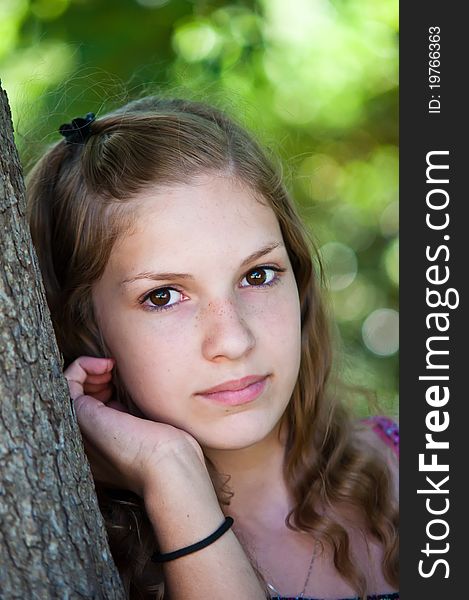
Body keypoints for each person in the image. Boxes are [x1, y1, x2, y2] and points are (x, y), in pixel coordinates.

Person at [25, 96, 399, 600]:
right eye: (163, 297)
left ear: (300, 277)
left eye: (258, 275)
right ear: (86, 326)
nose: (234, 340)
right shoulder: (74, 562)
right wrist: (170, 474)